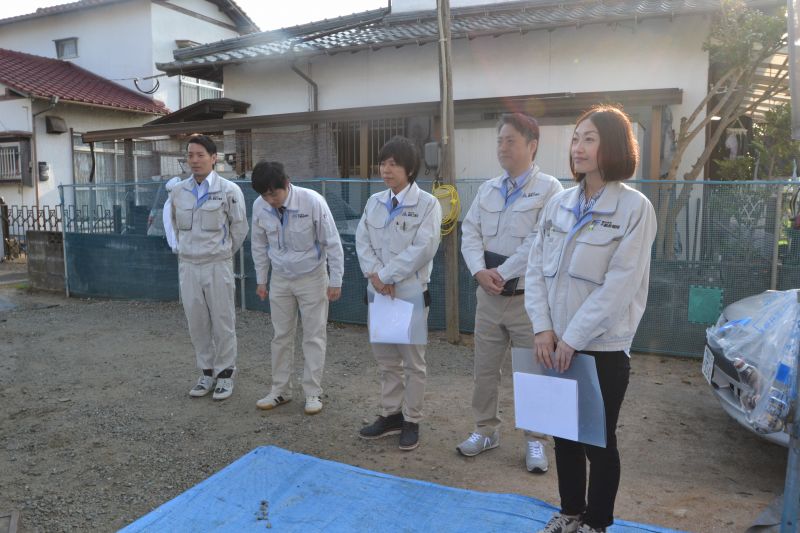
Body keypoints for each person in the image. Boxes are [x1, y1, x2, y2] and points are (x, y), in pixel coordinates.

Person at [526, 105, 657, 533]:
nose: (577, 147)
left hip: (601, 348)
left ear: (613, 146)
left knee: (598, 441)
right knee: (563, 435)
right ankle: (570, 511)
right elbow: (535, 268)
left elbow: (619, 286)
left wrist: (574, 338)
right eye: (576, 138)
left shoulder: (634, 209)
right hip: (555, 342)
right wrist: (543, 329)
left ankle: (596, 523)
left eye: (590, 139)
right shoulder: (559, 204)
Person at [458, 113, 563, 473]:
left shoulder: (551, 190)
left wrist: (500, 273)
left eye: (510, 141)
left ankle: (536, 440)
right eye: (500, 140)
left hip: (526, 302)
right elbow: (469, 230)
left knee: (532, 371)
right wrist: (478, 271)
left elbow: (540, 241)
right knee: (484, 369)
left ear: (532, 145)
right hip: (487, 298)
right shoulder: (488, 189)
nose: (502, 147)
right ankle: (485, 430)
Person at [355, 136, 442, 451]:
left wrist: (387, 275)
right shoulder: (374, 201)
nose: (386, 169)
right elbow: (362, 239)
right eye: (383, 163)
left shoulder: (428, 204)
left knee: (412, 362)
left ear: (410, 169)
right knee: (386, 360)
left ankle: (412, 420)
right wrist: (376, 276)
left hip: (408, 293)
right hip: (379, 292)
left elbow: (424, 248)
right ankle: (391, 415)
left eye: (394, 164)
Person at [250, 161, 344, 415]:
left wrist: (335, 280)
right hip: (280, 278)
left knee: (314, 335)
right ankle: (280, 390)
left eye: (274, 193)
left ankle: (312, 392)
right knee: (280, 336)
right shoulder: (260, 206)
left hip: (312, 277)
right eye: (264, 194)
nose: (270, 199)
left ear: (287, 183)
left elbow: (332, 242)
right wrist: (261, 279)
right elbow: (259, 245)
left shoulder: (312, 201)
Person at [170, 134, 248, 400]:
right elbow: (174, 226)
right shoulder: (179, 191)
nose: (194, 160)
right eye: (190, 155)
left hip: (217, 264)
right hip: (189, 265)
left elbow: (239, 229)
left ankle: (225, 375)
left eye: (200, 155)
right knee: (197, 321)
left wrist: (222, 253)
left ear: (214, 158)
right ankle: (206, 372)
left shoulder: (228, 190)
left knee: (223, 321)